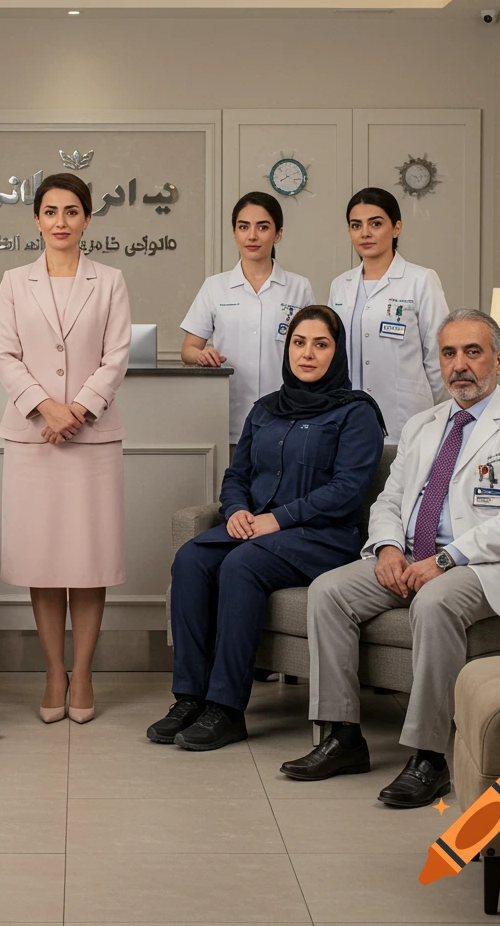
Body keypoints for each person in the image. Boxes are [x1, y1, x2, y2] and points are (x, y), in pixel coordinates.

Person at [280, 309, 500, 807]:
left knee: (434, 603)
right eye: (449, 353)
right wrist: (388, 547)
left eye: (472, 352)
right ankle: (342, 736)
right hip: (411, 555)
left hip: (485, 565)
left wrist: (447, 560)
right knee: (329, 591)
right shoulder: (422, 425)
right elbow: (389, 500)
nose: (459, 365)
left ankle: (430, 757)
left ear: (499, 361)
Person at [148, 305, 385, 751]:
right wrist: (236, 510)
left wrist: (278, 518)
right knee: (191, 558)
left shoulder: (357, 413)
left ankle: (226, 709)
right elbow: (237, 475)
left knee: (241, 566)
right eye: (299, 343)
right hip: (257, 530)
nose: (307, 354)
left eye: (321, 344)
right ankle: (190, 697)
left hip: (322, 538)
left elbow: (347, 490)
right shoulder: (265, 409)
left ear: (338, 352)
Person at [0, 172, 131, 724]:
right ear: (36, 219)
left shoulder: (110, 280)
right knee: (44, 560)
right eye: (50, 211)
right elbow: (5, 354)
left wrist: (79, 409)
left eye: (72, 211)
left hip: (92, 437)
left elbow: (116, 355)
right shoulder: (13, 281)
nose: (61, 222)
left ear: (88, 219)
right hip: (33, 437)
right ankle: (54, 672)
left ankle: (85, 672)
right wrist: (45, 408)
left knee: (88, 559)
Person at [180, 191, 315, 446]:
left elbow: (315, 350)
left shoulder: (299, 287)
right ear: (234, 233)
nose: (252, 236)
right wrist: (201, 355)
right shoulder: (215, 287)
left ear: (278, 234)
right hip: (229, 415)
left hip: (287, 414)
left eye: (262, 227)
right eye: (244, 227)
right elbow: (188, 349)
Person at [329, 187, 449, 443]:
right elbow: (332, 353)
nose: (365, 233)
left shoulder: (420, 280)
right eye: (356, 225)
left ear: (396, 228)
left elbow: (439, 354)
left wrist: (431, 409)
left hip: (406, 415)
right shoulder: (340, 285)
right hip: (348, 414)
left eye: (376, 224)